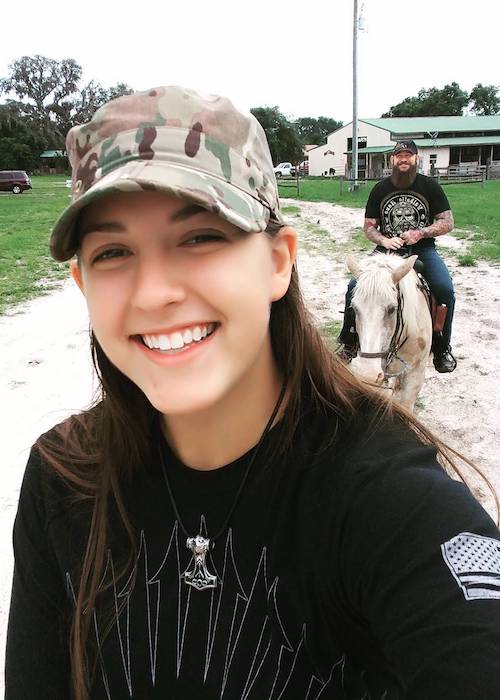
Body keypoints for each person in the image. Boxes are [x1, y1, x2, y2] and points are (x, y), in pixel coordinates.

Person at [6, 87, 500, 700]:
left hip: (418, 250)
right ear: (82, 283)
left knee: (439, 285)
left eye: (200, 238)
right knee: (360, 295)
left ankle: (442, 342)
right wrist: (379, 237)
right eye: (113, 252)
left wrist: (418, 239)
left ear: (277, 262)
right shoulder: (63, 479)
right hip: (382, 250)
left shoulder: (387, 500)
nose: (154, 292)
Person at [338, 139, 457, 373]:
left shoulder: (430, 187)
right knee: (354, 286)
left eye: (408, 155)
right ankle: (350, 341)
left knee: (445, 290)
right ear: (392, 160)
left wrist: (420, 232)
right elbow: (369, 226)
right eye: (399, 155)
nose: (403, 159)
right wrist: (383, 240)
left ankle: (441, 348)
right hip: (387, 249)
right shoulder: (380, 189)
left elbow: (447, 222)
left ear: (416, 158)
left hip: (422, 249)